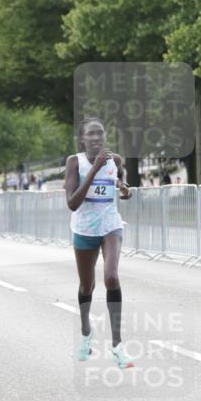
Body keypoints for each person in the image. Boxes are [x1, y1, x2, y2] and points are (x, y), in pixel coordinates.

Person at [65, 118, 134, 369]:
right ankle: (86, 331)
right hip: (84, 229)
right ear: (82, 139)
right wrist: (93, 171)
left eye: (100, 133)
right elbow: (72, 203)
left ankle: (117, 344)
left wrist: (126, 190)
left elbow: (120, 184)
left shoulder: (114, 160)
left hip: (110, 226)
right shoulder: (75, 162)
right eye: (91, 134)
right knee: (87, 286)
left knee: (112, 278)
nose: (96, 138)